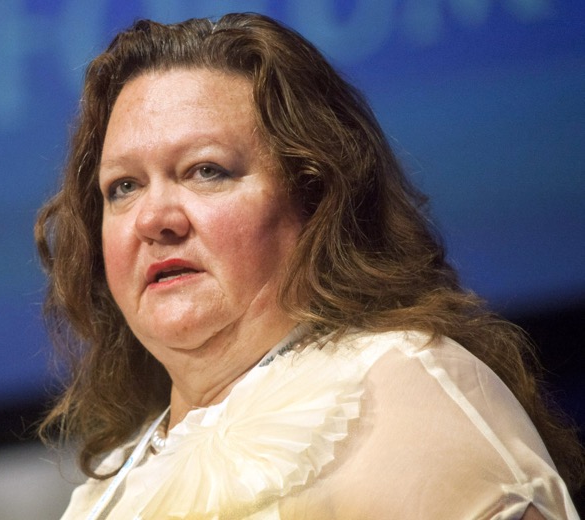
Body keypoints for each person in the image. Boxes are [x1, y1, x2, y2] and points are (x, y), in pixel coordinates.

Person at [34, 12, 583, 519]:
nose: (155, 218)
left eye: (206, 171)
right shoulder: (104, 497)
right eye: (123, 187)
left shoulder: (405, 392)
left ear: (316, 197)